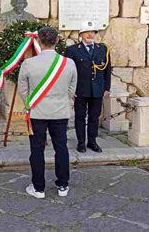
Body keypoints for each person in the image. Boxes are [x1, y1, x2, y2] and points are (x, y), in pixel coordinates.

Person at [18, 26, 77, 199]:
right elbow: (71, 88)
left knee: (37, 150)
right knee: (61, 148)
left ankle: (38, 188)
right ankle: (63, 185)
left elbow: (23, 90)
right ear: (57, 40)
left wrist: (31, 103)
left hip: (37, 112)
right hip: (60, 111)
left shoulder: (28, 63)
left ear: (38, 41)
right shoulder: (69, 63)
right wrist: (61, 101)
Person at [64, 21, 111, 153]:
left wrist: (107, 87)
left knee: (94, 117)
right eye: (87, 32)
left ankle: (92, 141)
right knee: (79, 116)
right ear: (81, 35)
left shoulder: (103, 49)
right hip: (80, 89)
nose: (90, 34)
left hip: (97, 89)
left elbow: (107, 70)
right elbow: (67, 71)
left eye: (93, 32)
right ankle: (81, 142)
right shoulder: (72, 50)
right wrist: (70, 89)